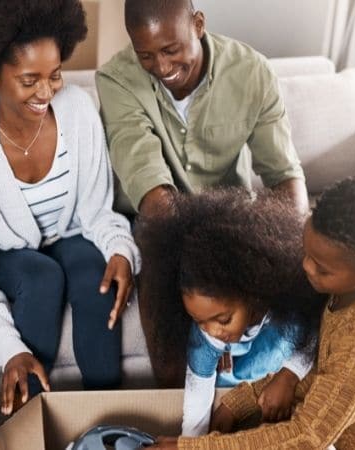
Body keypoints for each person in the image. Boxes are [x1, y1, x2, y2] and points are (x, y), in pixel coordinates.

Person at [149, 173, 355, 450]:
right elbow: (328, 369)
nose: (306, 268)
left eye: (321, 268)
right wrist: (243, 400)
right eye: (306, 251)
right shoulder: (340, 289)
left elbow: (307, 437)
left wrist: (191, 448)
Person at [0, 0, 140, 417]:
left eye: (54, 75)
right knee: (41, 278)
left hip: (67, 237)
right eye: (29, 80)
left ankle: (107, 422)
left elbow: (98, 212)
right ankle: (30, 423)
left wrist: (119, 250)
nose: (46, 92)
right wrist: (9, 351)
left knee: (97, 278)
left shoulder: (77, 111)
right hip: (7, 255)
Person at [96, 0, 308, 386]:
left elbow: (283, 175)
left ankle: (263, 395)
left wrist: (297, 244)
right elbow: (150, 187)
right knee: (157, 262)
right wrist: (210, 269)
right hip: (155, 219)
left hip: (228, 215)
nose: (161, 68)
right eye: (146, 55)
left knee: (305, 276)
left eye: (170, 50)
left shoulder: (252, 72)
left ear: (197, 25)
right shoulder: (117, 79)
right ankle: (178, 402)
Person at [136, 189, 327, 437]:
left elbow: (311, 343)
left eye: (223, 319)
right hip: (231, 399)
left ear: (254, 294)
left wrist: (289, 376)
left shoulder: (290, 315)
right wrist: (191, 444)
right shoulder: (204, 338)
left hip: (278, 398)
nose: (212, 331)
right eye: (199, 321)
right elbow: (198, 401)